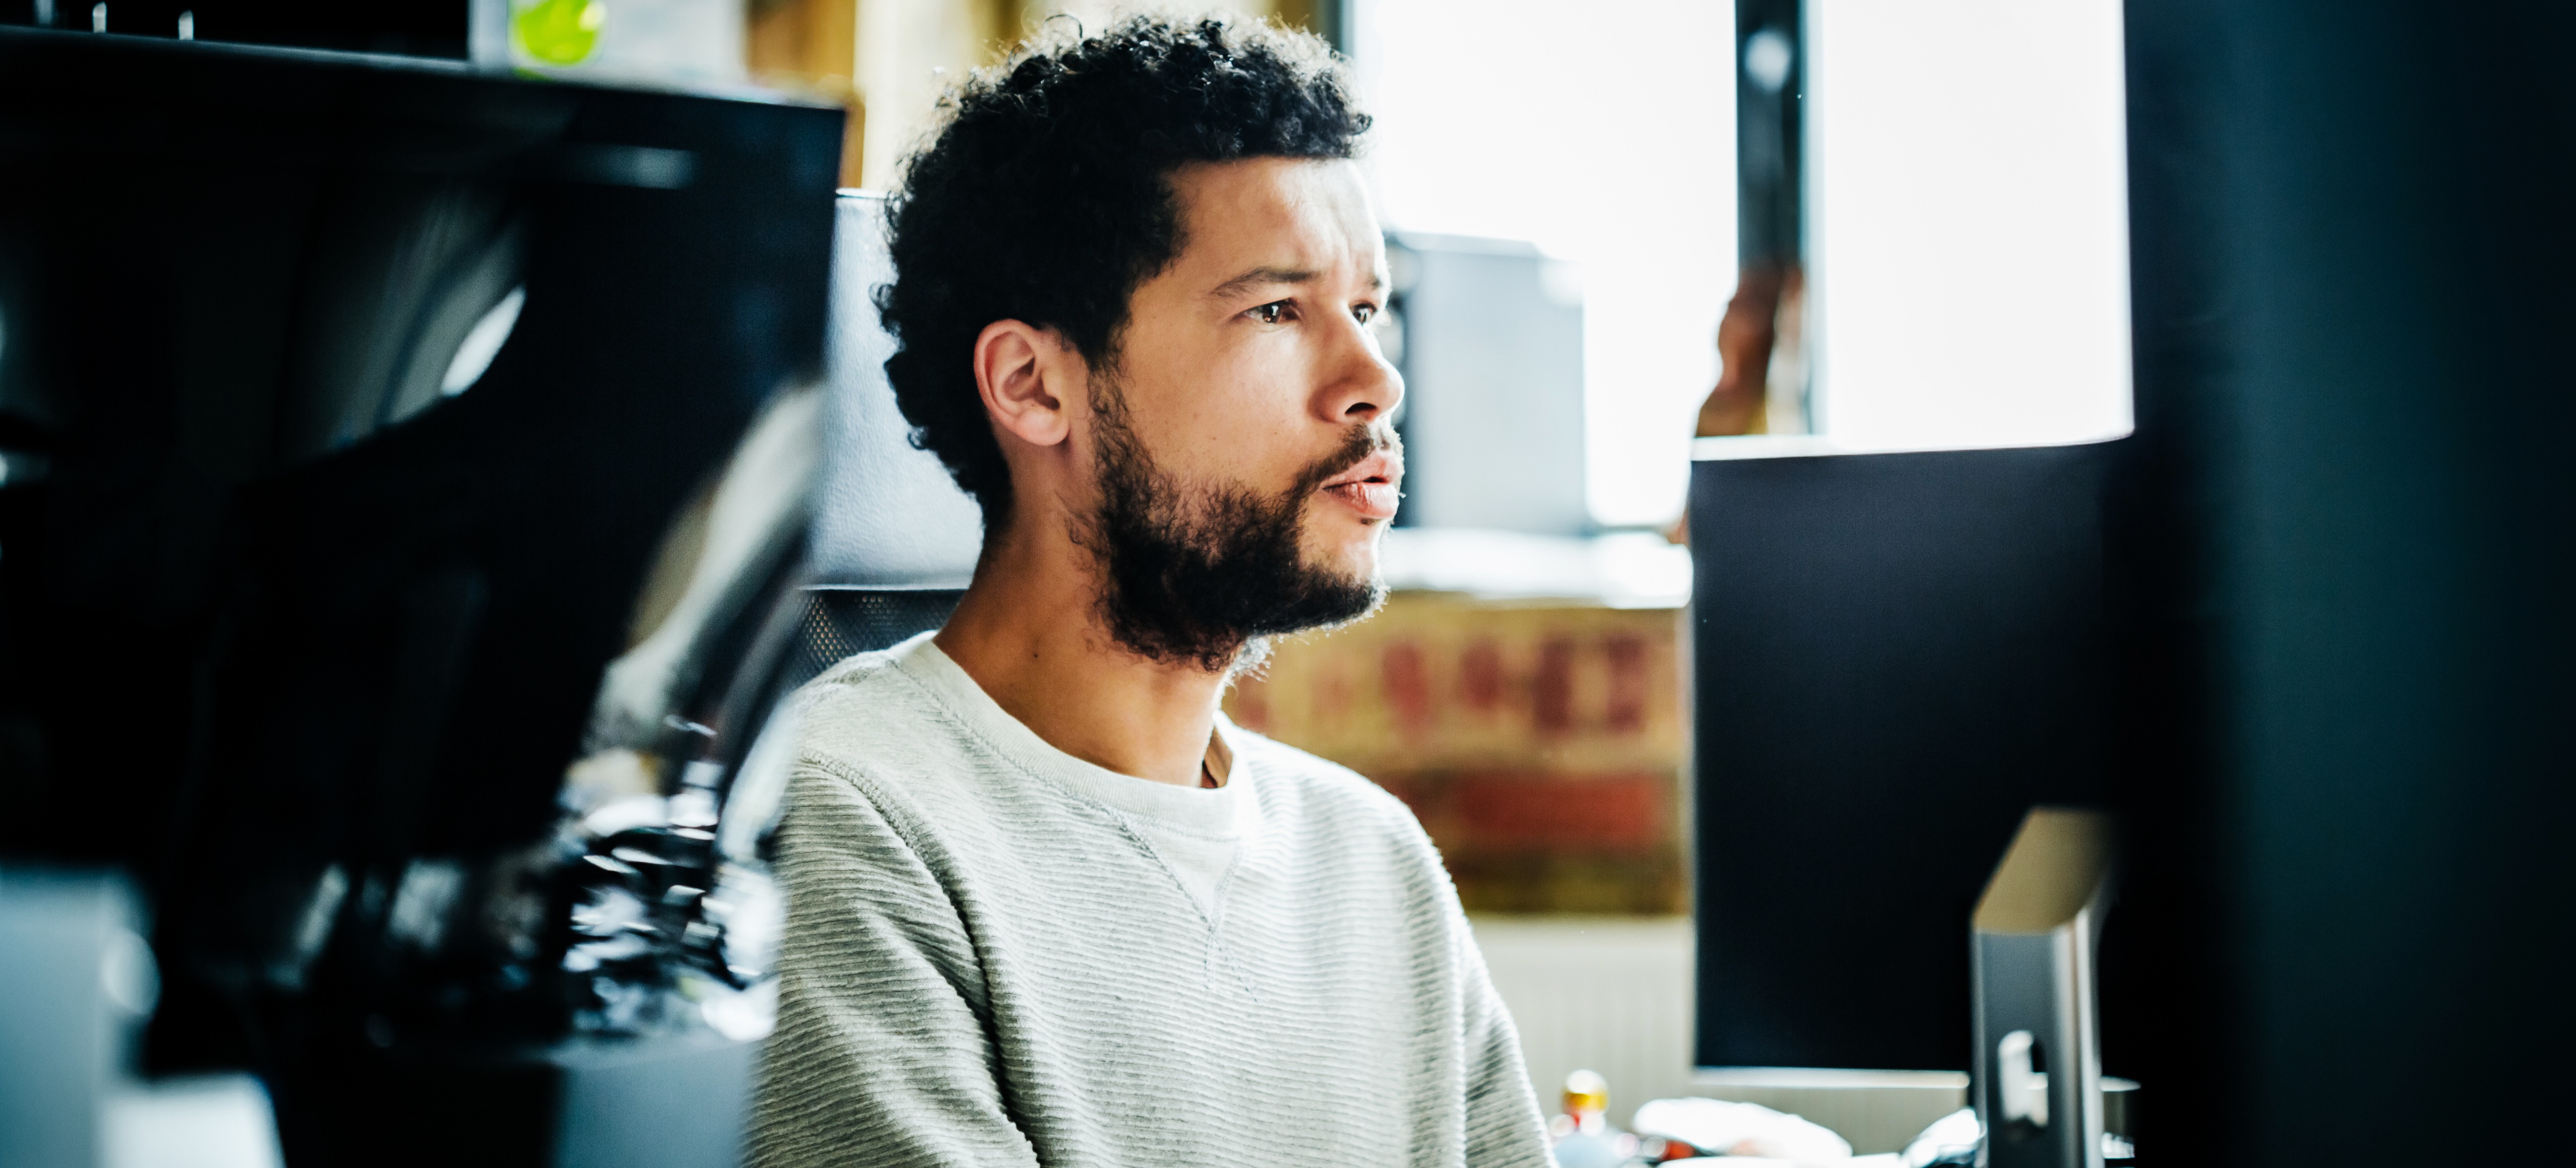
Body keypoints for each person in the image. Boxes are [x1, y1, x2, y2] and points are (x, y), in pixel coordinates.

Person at [748, 16, 1552, 1168]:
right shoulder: (844, 821)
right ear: (1032, 384)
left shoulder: (1370, 861)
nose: (1375, 379)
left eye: (1368, 309)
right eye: (1276, 309)